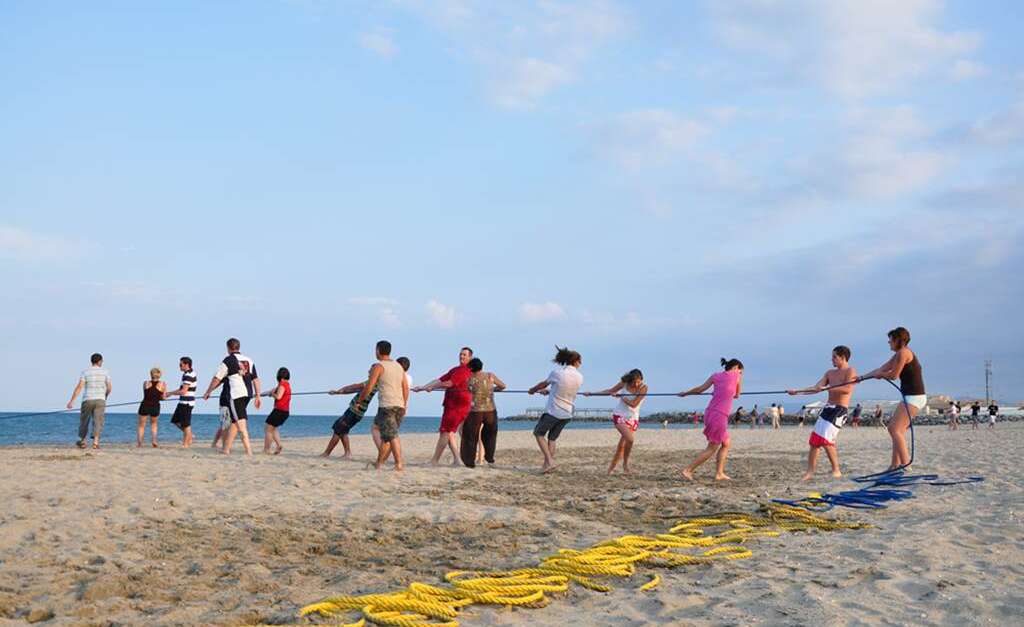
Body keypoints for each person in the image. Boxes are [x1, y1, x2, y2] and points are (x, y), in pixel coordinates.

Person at [787, 345, 858, 480]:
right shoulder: (829, 373)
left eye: (834, 357)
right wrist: (797, 392)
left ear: (843, 358)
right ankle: (810, 472)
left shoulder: (850, 371)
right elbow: (816, 388)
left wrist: (826, 387)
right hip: (828, 408)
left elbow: (847, 389)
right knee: (814, 441)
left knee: (826, 441)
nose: (831, 359)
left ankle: (836, 470)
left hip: (840, 410)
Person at [861, 327, 924, 470]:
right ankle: (894, 465)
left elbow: (894, 375)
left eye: (891, 339)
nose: (888, 342)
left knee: (894, 429)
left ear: (898, 340)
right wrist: (861, 378)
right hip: (911, 396)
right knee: (898, 431)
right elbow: (882, 368)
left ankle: (906, 466)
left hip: (914, 397)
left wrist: (881, 375)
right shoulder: (898, 354)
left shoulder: (904, 353)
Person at [678, 358, 743, 481]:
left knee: (726, 443)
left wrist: (685, 393)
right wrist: (738, 377)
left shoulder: (715, 376)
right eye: (741, 371)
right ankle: (688, 470)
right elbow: (737, 395)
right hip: (719, 415)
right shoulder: (736, 375)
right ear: (736, 367)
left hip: (711, 412)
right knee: (712, 447)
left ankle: (719, 473)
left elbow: (700, 389)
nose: (740, 373)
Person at [528, 346, 584, 474]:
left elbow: (543, 384)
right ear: (575, 361)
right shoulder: (580, 377)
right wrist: (549, 392)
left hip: (554, 411)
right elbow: (563, 389)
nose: (581, 363)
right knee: (552, 439)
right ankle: (547, 466)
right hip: (567, 413)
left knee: (538, 434)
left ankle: (550, 461)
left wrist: (533, 390)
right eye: (580, 361)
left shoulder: (558, 373)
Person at [415, 347, 473, 467]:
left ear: (470, 357)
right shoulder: (455, 369)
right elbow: (440, 379)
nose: (462, 357)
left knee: (445, 432)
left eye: (464, 355)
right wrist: (423, 387)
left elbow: (448, 383)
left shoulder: (465, 370)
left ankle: (434, 461)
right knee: (449, 432)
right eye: (461, 354)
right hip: (450, 404)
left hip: (458, 406)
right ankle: (457, 460)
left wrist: (432, 387)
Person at [202, 338, 260, 456]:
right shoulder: (249, 360)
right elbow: (255, 379)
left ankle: (249, 452)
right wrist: (258, 395)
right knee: (234, 421)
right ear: (238, 347)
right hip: (248, 394)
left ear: (228, 348)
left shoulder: (228, 360)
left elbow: (217, 378)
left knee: (240, 425)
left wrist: (208, 391)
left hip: (236, 395)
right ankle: (226, 449)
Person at [584, 368, 648, 475]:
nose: (636, 384)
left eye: (639, 381)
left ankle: (617, 466)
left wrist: (622, 397)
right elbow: (610, 391)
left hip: (633, 418)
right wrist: (591, 394)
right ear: (630, 380)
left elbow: (634, 404)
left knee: (623, 444)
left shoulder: (643, 388)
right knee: (630, 439)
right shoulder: (624, 383)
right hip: (620, 415)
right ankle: (622, 465)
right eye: (634, 382)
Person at [363, 340, 409, 470]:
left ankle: (399, 463)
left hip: (387, 406)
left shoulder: (379, 366)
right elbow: (405, 387)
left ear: (378, 350)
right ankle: (379, 463)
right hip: (399, 405)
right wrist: (404, 404)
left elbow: (369, 386)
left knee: (392, 435)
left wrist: (361, 399)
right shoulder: (398, 366)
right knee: (383, 433)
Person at [460, 357, 506, 468]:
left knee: (470, 436)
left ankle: (469, 462)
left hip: (475, 412)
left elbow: (465, 390)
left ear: (470, 368)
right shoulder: (490, 375)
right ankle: (489, 458)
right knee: (490, 435)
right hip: (490, 410)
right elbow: (503, 386)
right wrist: (491, 389)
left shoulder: (469, 378)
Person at [66, 353, 111, 449]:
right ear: (99, 361)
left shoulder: (85, 372)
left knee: (84, 420)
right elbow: (109, 387)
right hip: (100, 399)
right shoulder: (105, 372)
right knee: (98, 421)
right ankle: (95, 442)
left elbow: (79, 387)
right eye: (102, 361)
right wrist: (105, 396)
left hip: (87, 399)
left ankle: (83, 441)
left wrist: (71, 401)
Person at [165, 357, 197, 448]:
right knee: (175, 420)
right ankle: (190, 436)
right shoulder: (186, 374)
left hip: (187, 402)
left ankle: (186, 444)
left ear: (186, 365)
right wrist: (170, 393)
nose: (179, 366)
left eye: (181, 364)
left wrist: (171, 393)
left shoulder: (189, 375)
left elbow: (183, 391)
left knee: (186, 424)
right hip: (182, 401)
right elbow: (181, 389)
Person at [262, 367, 292, 455]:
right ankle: (279, 445)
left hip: (279, 411)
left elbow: (278, 396)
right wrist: (258, 395)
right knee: (273, 429)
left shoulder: (282, 384)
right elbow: (270, 391)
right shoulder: (286, 384)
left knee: (268, 429)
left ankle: (266, 450)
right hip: (284, 412)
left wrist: (272, 395)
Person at [136, 367, 166, 448]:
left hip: (145, 405)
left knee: (141, 425)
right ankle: (154, 441)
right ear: (159, 375)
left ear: (151, 374)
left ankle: (139, 443)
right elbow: (163, 397)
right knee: (154, 424)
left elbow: (146, 394)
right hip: (155, 406)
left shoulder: (145, 383)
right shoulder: (162, 384)